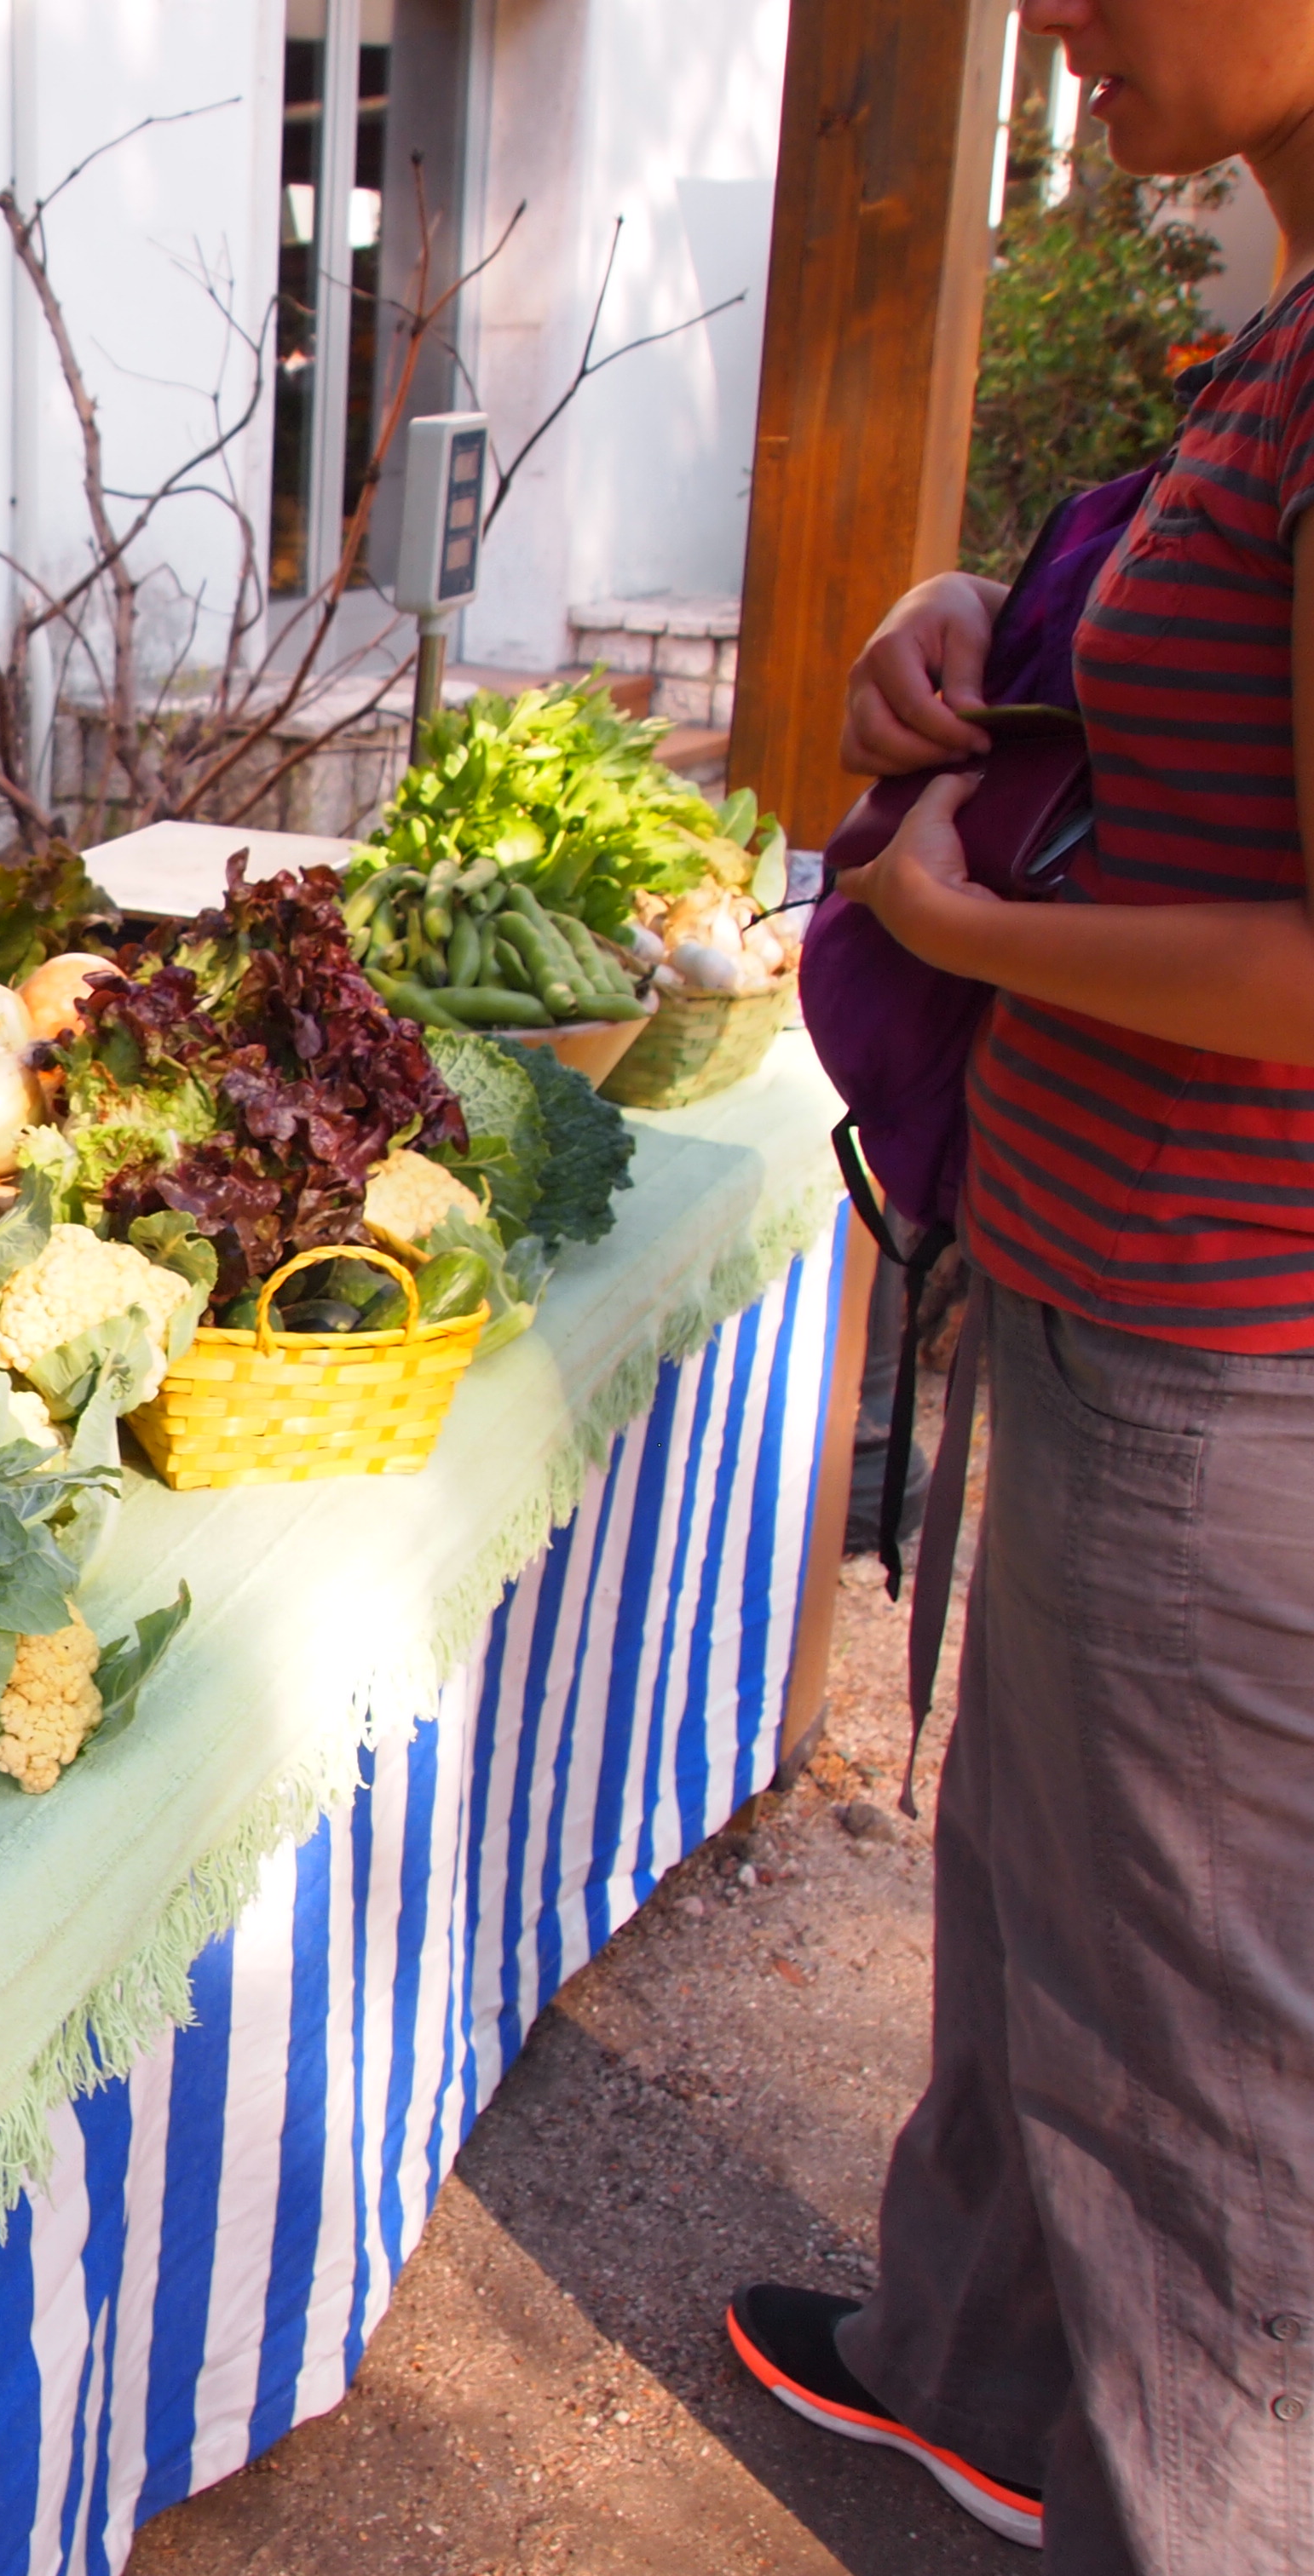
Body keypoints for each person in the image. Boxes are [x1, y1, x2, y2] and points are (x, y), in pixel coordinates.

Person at [723, 4, 1314, 2565]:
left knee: (1189, 2057)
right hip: (1127, 1292)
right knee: (1043, 1897)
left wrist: (969, 924)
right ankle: (967, 2368)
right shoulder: (1282, 322)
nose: (1058, 9)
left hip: (1233, 1343)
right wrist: (987, 608)